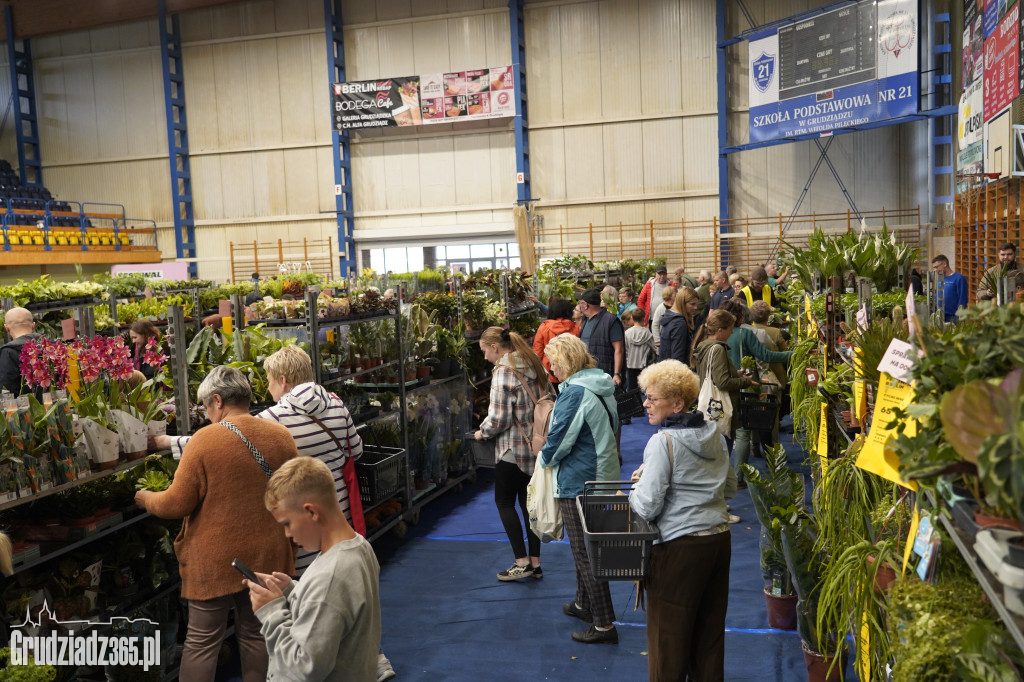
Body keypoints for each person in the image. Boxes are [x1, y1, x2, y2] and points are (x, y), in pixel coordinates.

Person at [135, 366, 299, 682]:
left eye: (207, 407)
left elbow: (176, 503)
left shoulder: (205, 440)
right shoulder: (281, 436)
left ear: (218, 400)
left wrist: (146, 498)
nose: (208, 414)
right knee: (256, 633)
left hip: (215, 560)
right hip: (268, 553)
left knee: (202, 640)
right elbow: (293, 493)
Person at [629, 360, 734, 681]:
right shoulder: (714, 434)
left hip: (678, 550)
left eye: (653, 398)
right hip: (719, 541)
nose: (646, 404)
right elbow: (729, 487)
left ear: (677, 403)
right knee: (709, 637)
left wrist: (635, 488)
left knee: (668, 641)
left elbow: (646, 505)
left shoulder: (663, 442)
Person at [248, 457, 382, 682]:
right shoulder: (358, 546)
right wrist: (292, 591)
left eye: (287, 524)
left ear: (311, 512)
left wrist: (271, 612)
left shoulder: (330, 576)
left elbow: (303, 668)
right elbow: (337, 606)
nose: (288, 535)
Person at [538, 334, 620, 644]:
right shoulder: (598, 384)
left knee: (586, 554)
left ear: (566, 362)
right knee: (586, 548)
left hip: (580, 481)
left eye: (554, 362)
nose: (551, 368)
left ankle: (603, 624)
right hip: (601, 474)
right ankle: (584, 603)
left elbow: (559, 441)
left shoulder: (575, 393)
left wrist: (542, 459)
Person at [475, 327, 550, 581]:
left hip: (512, 449)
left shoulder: (504, 372)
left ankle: (521, 562)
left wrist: (482, 433)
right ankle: (536, 563)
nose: (485, 357)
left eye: (485, 350)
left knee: (504, 502)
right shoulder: (533, 361)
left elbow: (498, 419)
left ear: (495, 347)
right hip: (538, 445)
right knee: (529, 505)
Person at [716, 299, 791, 486]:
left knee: (724, 433)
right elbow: (767, 356)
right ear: (741, 316)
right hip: (745, 386)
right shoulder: (745, 334)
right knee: (743, 433)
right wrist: (792, 354)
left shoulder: (713, 335)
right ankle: (739, 478)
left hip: (720, 388)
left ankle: (722, 476)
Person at [576, 288, 624, 387]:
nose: (579, 306)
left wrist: (616, 374)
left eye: (580, 303)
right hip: (587, 373)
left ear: (586, 305)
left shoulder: (610, 320)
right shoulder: (585, 321)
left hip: (604, 374)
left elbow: (619, 349)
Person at [532, 298, 579, 389]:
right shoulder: (575, 327)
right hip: (571, 370)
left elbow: (538, 351)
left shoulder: (544, 327)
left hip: (549, 371)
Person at [0, 307, 40, 395]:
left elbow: (6, 390)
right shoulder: (50, 347)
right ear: (33, 325)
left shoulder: (9, 352)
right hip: (57, 405)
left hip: (27, 407)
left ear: (6, 328)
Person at [659, 287, 701, 367]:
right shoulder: (679, 323)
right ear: (682, 303)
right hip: (676, 371)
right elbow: (678, 356)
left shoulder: (669, 318)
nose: (695, 307)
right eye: (692, 304)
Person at [930, 254, 969, 322]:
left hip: (953, 316)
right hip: (939, 315)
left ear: (944, 264)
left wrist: (959, 317)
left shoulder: (959, 278)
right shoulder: (940, 278)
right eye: (934, 268)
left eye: (936, 267)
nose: (935, 270)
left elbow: (962, 299)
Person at [624, 308, 655, 391]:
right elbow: (654, 347)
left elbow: (625, 348)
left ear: (632, 318)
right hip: (643, 364)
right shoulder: (647, 332)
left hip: (630, 363)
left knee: (632, 388)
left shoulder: (627, 333)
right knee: (644, 387)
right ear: (644, 318)